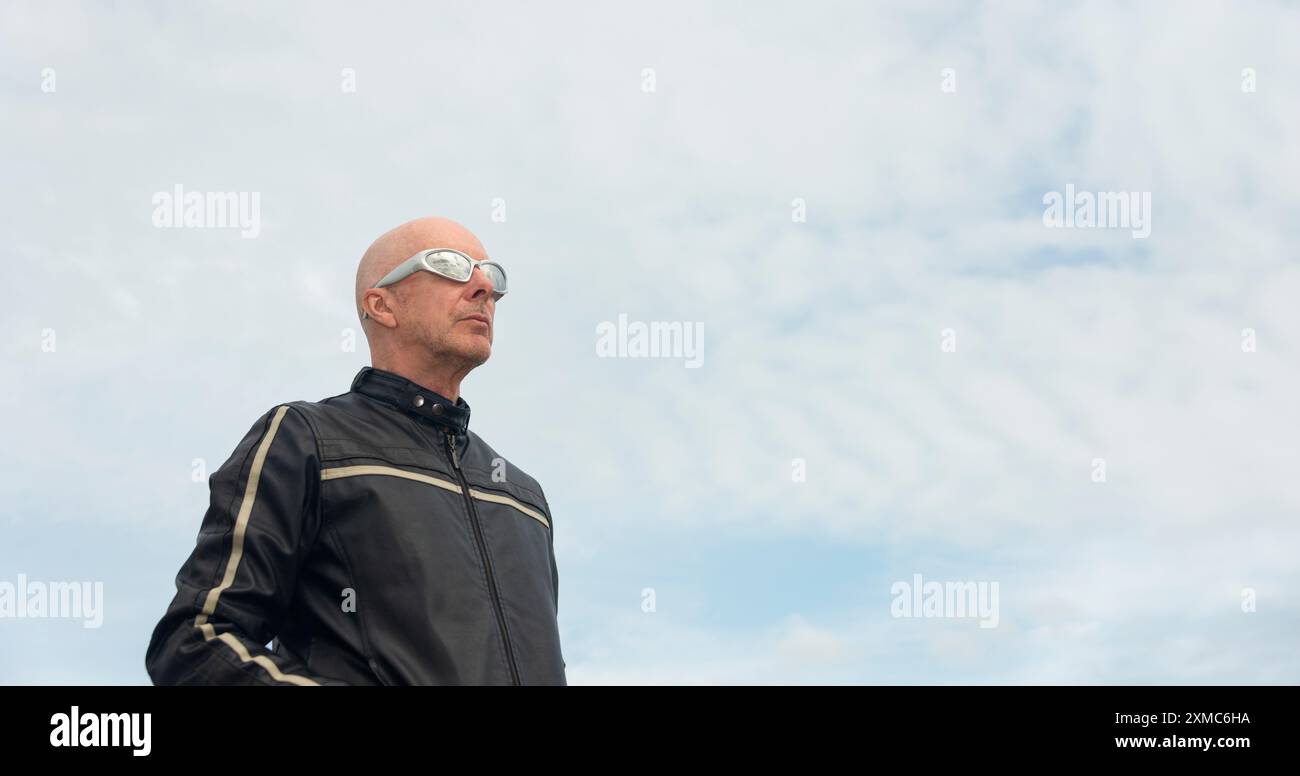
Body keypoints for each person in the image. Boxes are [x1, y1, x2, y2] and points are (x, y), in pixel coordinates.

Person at [145, 216, 566, 685]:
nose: (484, 286)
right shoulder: (307, 441)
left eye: (492, 273)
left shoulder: (524, 500)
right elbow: (194, 641)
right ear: (381, 305)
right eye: (450, 266)